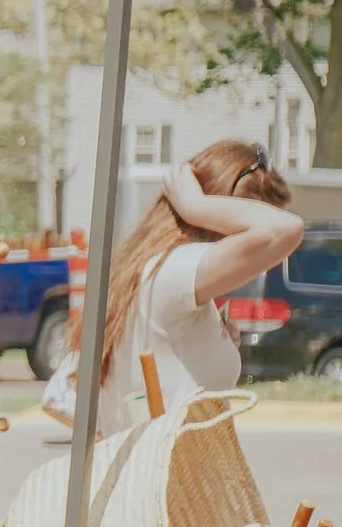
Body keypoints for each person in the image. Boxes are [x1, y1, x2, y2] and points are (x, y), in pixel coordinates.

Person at [95, 138, 300, 433]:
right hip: (163, 470)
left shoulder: (157, 271)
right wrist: (196, 206)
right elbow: (286, 229)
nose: (263, 263)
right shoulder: (173, 271)